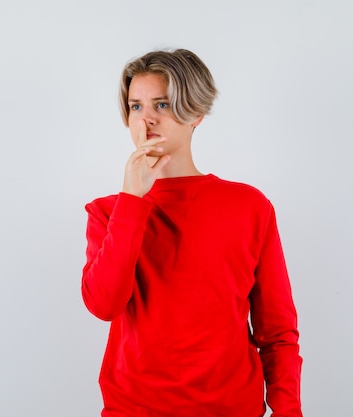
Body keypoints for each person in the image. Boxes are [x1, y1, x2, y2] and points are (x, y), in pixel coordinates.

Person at [81, 49, 303, 417]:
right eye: (136, 106)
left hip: (231, 408)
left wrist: (288, 410)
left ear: (196, 113)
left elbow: (277, 332)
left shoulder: (249, 206)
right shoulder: (109, 211)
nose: (146, 119)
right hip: (134, 408)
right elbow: (104, 305)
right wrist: (132, 200)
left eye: (163, 104)